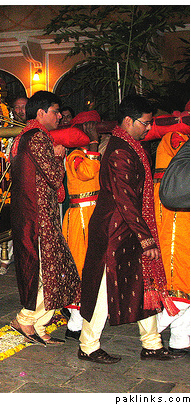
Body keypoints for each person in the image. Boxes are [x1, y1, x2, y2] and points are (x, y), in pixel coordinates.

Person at [78, 95, 182, 364]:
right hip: (113, 230)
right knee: (103, 287)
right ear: (128, 121)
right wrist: (146, 238)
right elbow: (125, 199)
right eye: (145, 123)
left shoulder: (130, 145)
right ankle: (88, 346)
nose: (148, 128)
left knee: (142, 283)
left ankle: (152, 344)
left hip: (129, 228)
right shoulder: (120, 151)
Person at [8, 90, 80, 346]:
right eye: (55, 111)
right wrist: (59, 156)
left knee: (49, 270)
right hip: (38, 216)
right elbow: (55, 177)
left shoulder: (24, 136)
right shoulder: (37, 138)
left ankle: (37, 322)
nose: (59, 116)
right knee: (48, 271)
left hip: (31, 213)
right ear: (41, 113)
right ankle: (26, 318)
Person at [61, 120, 101, 340]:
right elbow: (86, 173)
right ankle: (75, 323)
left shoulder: (85, 154)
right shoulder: (76, 155)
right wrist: (94, 143)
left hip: (92, 215)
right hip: (80, 218)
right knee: (80, 267)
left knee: (90, 267)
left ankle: (77, 325)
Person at [154, 134, 189, 356]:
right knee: (180, 287)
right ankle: (150, 333)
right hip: (176, 219)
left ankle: (180, 340)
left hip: (184, 217)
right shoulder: (174, 137)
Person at [0, 94, 28, 275]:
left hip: (29, 181)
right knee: (9, 220)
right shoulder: (5, 129)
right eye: (17, 107)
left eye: (24, 106)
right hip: (9, 181)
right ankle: (4, 260)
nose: (20, 111)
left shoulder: (34, 128)